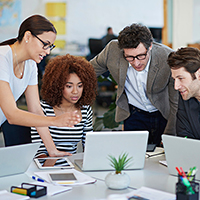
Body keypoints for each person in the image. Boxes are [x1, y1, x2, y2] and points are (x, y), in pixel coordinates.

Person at [0, 15, 80, 157]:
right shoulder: (2, 58)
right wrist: (55, 121)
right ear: (28, 36)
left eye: (50, 46)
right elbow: (11, 115)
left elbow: (36, 110)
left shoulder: (30, 65)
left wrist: (52, 150)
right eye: (45, 44)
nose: (48, 51)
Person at [90, 23, 178, 146]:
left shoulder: (168, 58)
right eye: (129, 57)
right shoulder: (112, 50)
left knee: (163, 157)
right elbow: (88, 71)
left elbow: (175, 102)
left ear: (150, 46)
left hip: (163, 114)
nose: (136, 63)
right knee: (133, 156)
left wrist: (170, 133)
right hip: (134, 114)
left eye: (141, 56)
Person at [31, 54, 97, 157]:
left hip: (72, 166)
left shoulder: (85, 110)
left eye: (80, 86)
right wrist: (53, 168)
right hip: (46, 167)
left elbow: (89, 147)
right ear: (57, 85)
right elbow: (38, 152)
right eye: (69, 86)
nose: (75, 91)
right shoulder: (41, 109)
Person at [167, 47, 200, 139]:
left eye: (181, 78)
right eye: (174, 80)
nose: (176, 87)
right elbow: (184, 135)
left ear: (199, 74)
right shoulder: (185, 97)